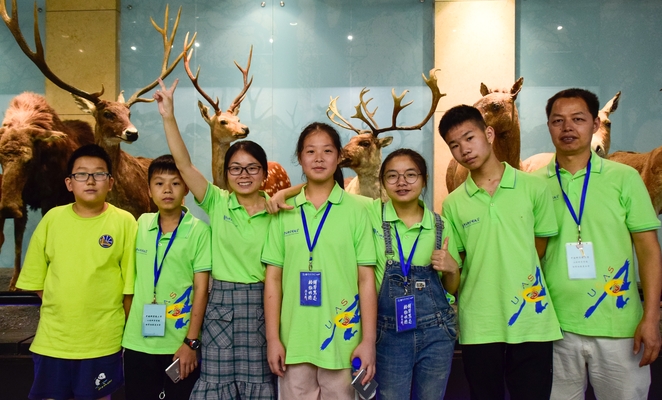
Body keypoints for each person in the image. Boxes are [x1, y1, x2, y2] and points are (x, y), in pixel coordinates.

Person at [268, 148, 461, 399]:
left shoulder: (441, 225)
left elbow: (450, 289)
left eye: (411, 175)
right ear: (383, 182)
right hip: (388, 331)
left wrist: (452, 268)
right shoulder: (368, 211)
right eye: (392, 176)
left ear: (424, 179)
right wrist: (285, 192)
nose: (402, 182)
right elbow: (322, 189)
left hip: (436, 332)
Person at [533, 88, 662, 400]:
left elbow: (648, 249)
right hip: (554, 330)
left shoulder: (624, 178)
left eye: (578, 119)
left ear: (595, 124)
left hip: (620, 329)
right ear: (548, 126)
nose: (567, 127)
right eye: (558, 120)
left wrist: (651, 317)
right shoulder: (533, 184)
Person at [154, 78, 278, 399]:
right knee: (215, 388)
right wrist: (168, 116)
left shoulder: (277, 211)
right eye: (235, 168)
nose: (243, 175)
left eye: (252, 168)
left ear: (264, 173)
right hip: (220, 305)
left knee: (258, 388)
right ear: (227, 172)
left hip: (263, 306)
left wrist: (285, 193)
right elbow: (183, 164)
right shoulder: (217, 201)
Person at [438, 105, 562, 400]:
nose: (464, 150)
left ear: (489, 134)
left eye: (469, 138)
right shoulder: (453, 204)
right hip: (479, 324)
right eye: (454, 145)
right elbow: (455, 278)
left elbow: (539, 251)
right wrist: (451, 270)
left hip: (532, 320)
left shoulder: (534, 188)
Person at [261, 122, 377, 400]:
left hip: (344, 344)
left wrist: (368, 341)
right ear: (300, 158)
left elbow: (366, 280)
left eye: (327, 151)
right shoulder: (284, 212)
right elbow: (273, 280)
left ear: (338, 157)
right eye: (310, 151)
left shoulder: (359, 209)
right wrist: (273, 339)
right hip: (294, 344)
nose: (319, 158)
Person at [16, 144, 137, 400]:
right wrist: (64, 305)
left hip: (103, 341)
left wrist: (126, 334)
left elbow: (130, 287)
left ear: (111, 182)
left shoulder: (125, 222)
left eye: (99, 173)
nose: (90, 180)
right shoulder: (52, 219)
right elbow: (36, 280)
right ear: (69, 183)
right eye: (82, 174)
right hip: (53, 341)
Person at [121, 155, 211, 399]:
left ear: (186, 189)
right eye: (159, 183)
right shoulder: (141, 224)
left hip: (179, 345)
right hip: (137, 343)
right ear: (149, 191)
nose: (167, 190)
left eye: (175, 183)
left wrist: (191, 342)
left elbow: (201, 290)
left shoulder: (199, 231)